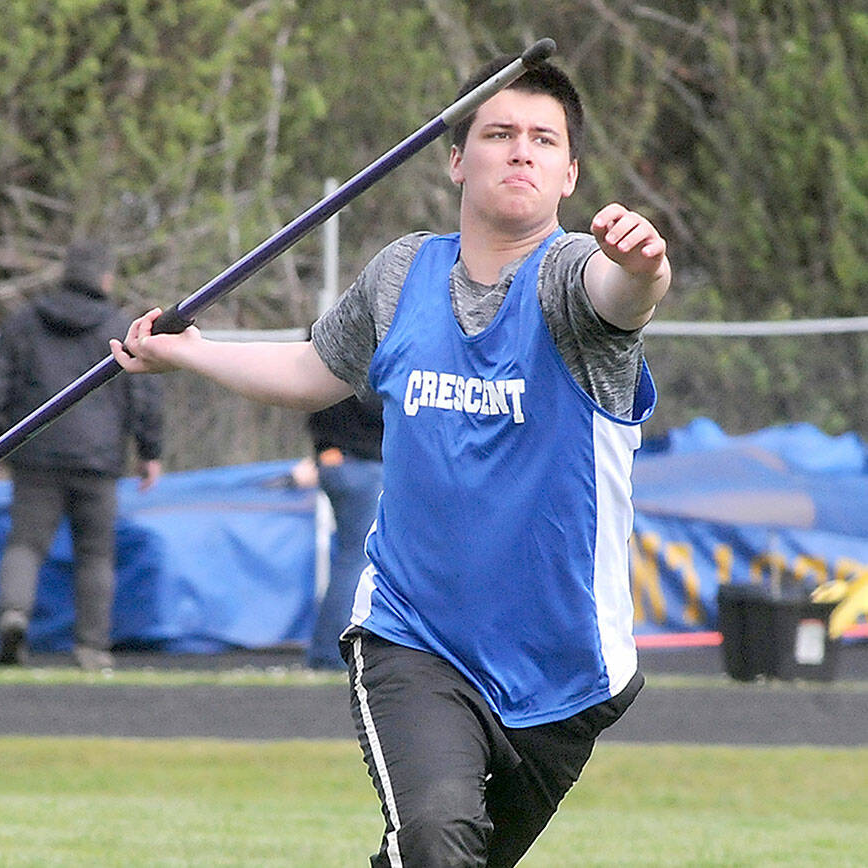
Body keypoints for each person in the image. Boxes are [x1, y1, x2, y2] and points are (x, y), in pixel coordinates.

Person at [110, 54, 670, 867]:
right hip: (414, 634)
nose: (521, 151)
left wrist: (644, 268)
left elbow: (623, 298)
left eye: (543, 140)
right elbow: (313, 373)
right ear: (455, 157)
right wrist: (192, 354)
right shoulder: (401, 273)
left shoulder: (574, 279)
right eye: (499, 133)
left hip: (561, 669)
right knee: (437, 839)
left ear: (570, 173)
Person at [0, 240, 163, 671]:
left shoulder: (24, 322)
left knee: (25, 544)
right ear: (105, 278)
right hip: (98, 460)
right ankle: (92, 649)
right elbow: (143, 392)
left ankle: (13, 617)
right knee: (96, 554)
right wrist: (149, 450)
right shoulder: (118, 326)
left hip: (35, 454)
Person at [304, 392, 384, 670]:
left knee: (351, 557)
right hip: (359, 461)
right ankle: (330, 652)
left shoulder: (325, 352)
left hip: (342, 459)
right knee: (358, 559)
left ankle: (326, 650)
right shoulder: (363, 354)